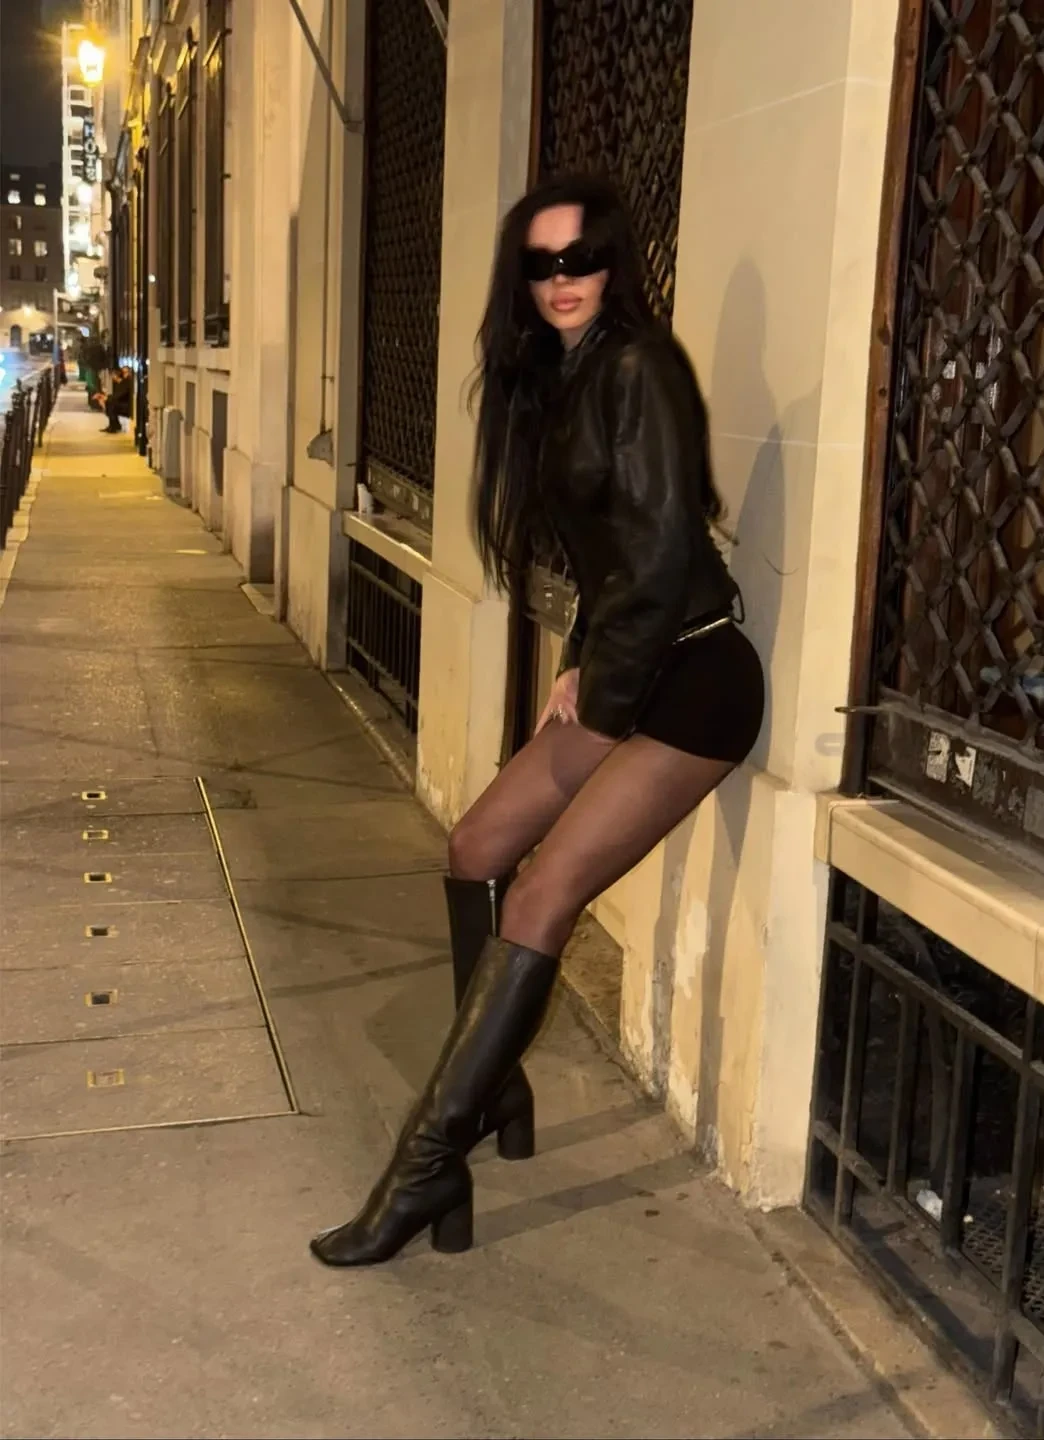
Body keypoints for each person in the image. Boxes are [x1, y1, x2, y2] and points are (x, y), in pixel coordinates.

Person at [311, 175, 765, 1267]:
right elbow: (610, 554)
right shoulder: (560, 376)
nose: (562, 280)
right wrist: (576, 661)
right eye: (541, 263)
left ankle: (428, 1164)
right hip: (627, 666)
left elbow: (663, 554)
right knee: (476, 848)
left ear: (613, 266)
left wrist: (601, 699)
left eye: (581, 259)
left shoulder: (641, 367)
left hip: (695, 684)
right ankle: (495, 1087)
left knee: (544, 892)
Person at [96, 366, 133, 433]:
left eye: (126, 372)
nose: (112, 377)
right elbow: (116, 395)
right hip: (121, 403)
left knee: (111, 404)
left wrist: (107, 398)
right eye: (123, 372)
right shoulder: (119, 383)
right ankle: (113, 425)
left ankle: (114, 426)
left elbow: (120, 395)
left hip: (126, 405)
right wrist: (105, 397)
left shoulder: (126, 383)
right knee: (109, 403)